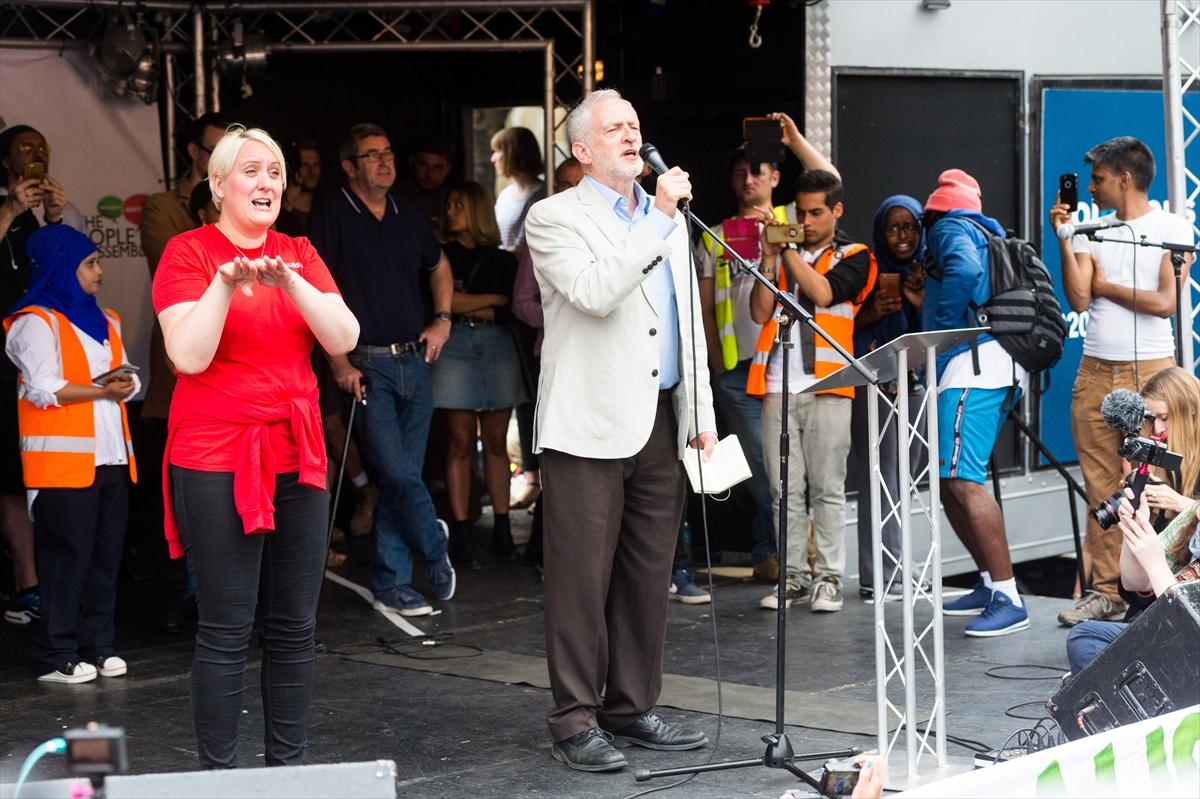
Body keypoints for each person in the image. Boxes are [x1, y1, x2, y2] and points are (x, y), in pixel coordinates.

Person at [152, 125, 360, 767]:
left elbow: (343, 335)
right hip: (216, 454)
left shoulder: (298, 250)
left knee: (296, 626)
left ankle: (287, 772)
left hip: (296, 455)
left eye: (274, 170)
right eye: (251, 171)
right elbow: (188, 355)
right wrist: (224, 283)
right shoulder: (187, 253)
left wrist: (288, 280)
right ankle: (219, 777)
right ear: (217, 186)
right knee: (226, 627)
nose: (267, 182)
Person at [525, 88, 717, 772]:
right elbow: (597, 291)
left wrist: (701, 417)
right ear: (582, 149)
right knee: (580, 579)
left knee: (647, 574)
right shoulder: (553, 218)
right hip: (587, 424)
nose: (632, 135)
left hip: (661, 417)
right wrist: (659, 217)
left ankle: (630, 706)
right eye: (615, 128)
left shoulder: (672, 220)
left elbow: (687, 324)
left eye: (636, 124)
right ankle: (574, 718)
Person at [308, 123, 457, 618]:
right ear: (350, 167)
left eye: (388, 152)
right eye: (372, 156)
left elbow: (438, 265)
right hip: (365, 364)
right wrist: (337, 362)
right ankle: (432, 541)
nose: (385, 162)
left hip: (415, 359)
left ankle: (392, 581)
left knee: (404, 475)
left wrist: (442, 319)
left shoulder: (406, 212)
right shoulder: (331, 214)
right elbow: (315, 291)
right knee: (394, 470)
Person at [1049, 136, 1194, 627]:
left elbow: (1164, 302)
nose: (1091, 187)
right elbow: (1079, 300)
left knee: (1153, 477)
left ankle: (1160, 587)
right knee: (1100, 485)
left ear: (1125, 179)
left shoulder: (1170, 226)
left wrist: (1106, 284)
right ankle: (1105, 592)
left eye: (1099, 179)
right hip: (1095, 369)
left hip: (1151, 370)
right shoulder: (1092, 229)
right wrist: (1067, 240)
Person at [4, 225, 138, 683]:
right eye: (90, 263)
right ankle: (56, 653)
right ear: (62, 267)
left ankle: (98, 646)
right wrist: (103, 390)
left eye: (98, 261)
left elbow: (127, 381)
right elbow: (43, 387)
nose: (99, 271)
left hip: (112, 458)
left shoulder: (109, 319)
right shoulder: (33, 322)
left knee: (105, 560)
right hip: (62, 467)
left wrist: (123, 385)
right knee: (66, 563)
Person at [750, 170, 877, 613]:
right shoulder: (784, 257)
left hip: (829, 386)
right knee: (784, 490)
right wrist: (769, 256)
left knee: (826, 487)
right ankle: (792, 578)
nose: (806, 220)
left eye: (816, 212)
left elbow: (823, 293)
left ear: (836, 210)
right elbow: (758, 310)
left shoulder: (856, 255)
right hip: (778, 386)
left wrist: (785, 251)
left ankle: (828, 579)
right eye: (800, 212)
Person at [920, 169, 1028, 637]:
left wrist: (940, 334)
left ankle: (1008, 596)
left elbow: (962, 271)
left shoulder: (949, 227)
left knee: (963, 482)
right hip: (992, 366)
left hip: (974, 367)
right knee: (948, 481)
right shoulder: (983, 228)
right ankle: (988, 582)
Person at [138, 113, 229, 631]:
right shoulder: (163, 209)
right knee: (182, 492)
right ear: (194, 152)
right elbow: (177, 271)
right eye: (218, 149)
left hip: (240, 374)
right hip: (185, 370)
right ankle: (184, 598)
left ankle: (219, 599)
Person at [433, 182, 526, 566]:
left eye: (457, 203)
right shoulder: (439, 255)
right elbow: (441, 303)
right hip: (453, 347)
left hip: (496, 347)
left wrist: (462, 306)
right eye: (449, 204)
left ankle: (503, 529)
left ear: (475, 210)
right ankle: (462, 533)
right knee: (457, 441)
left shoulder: (503, 260)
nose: (450, 210)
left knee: (495, 441)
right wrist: (491, 300)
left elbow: (511, 312)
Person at [851, 195, 927, 599]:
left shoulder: (927, 270)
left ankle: (901, 564)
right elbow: (846, 327)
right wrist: (872, 312)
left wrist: (918, 302)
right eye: (894, 227)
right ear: (880, 231)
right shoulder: (868, 269)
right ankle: (878, 574)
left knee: (907, 480)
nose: (903, 236)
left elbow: (935, 331)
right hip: (876, 385)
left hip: (916, 386)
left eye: (911, 226)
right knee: (880, 478)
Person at [511, 157, 583, 570]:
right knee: (558, 460)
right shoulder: (540, 232)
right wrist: (566, 318)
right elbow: (522, 303)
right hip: (555, 360)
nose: (571, 190)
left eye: (579, 182)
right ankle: (544, 553)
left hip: (602, 366)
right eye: (564, 183)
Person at [490, 126, 545, 252]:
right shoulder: (505, 195)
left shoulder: (541, 195)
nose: (493, 159)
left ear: (513, 153)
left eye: (498, 151)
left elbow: (522, 247)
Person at [398, 134, 454, 230]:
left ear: (448, 168)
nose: (429, 174)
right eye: (423, 165)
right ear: (411, 162)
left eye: (437, 167)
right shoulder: (393, 197)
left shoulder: (453, 199)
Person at [276, 137, 321, 236]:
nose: (311, 171)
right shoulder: (279, 215)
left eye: (315, 164)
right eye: (305, 164)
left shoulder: (324, 212)